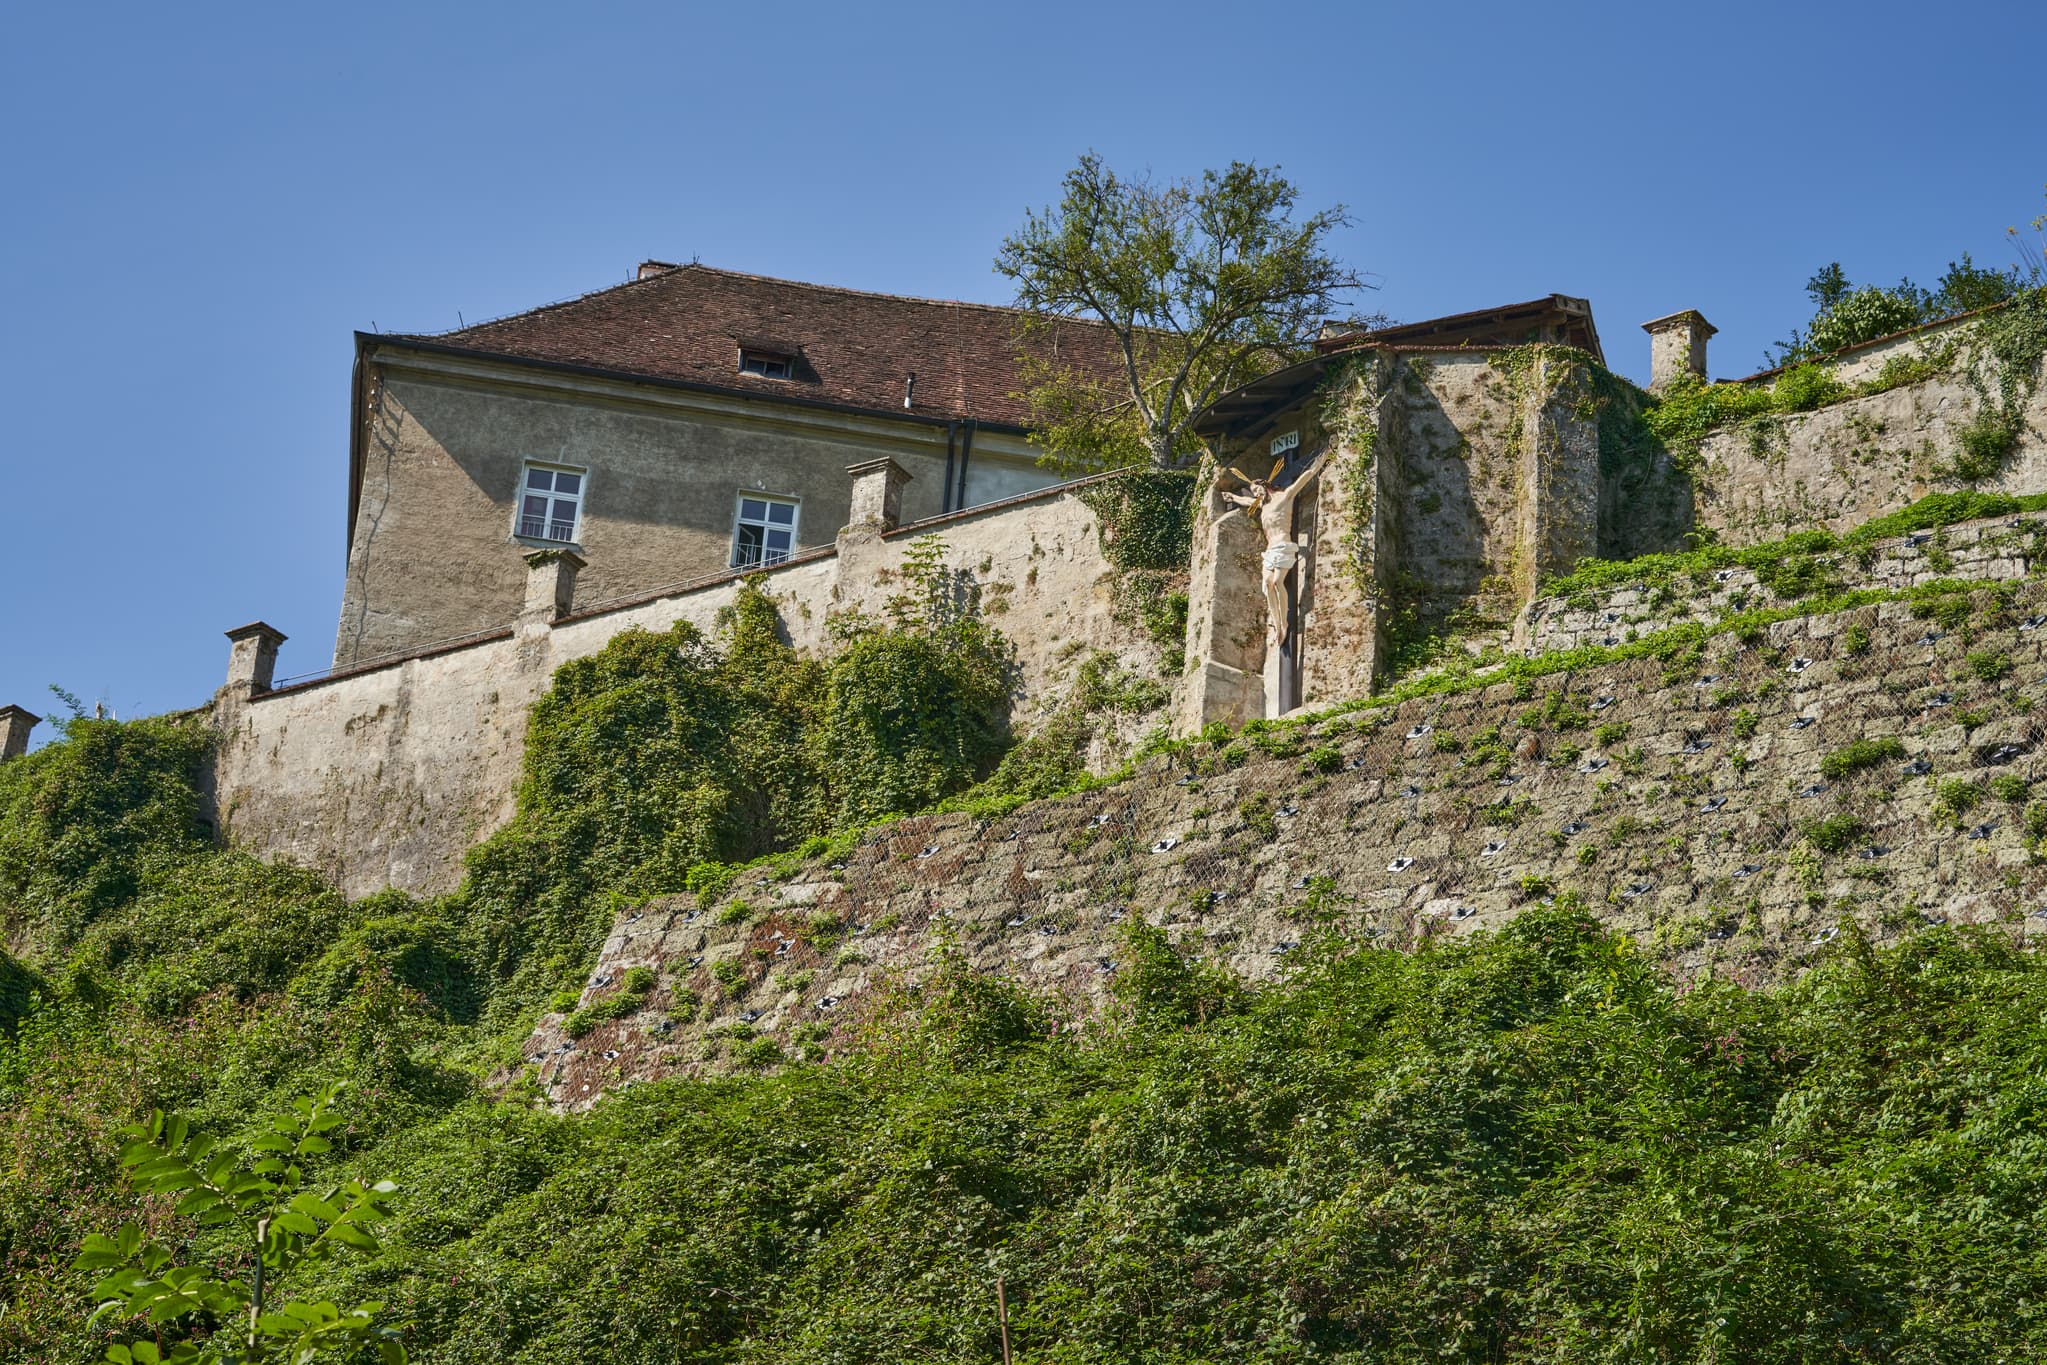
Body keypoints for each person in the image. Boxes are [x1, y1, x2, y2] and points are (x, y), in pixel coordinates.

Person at [1218, 449, 1330, 646]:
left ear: (1264, 485)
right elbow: (1247, 501)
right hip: (1270, 550)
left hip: (1283, 545)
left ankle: (1285, 623)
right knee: (1266, 585)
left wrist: (1320, 461)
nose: (1256, 494)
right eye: (1254, 492)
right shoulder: (1264, 506)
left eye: (1257, 490)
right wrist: (1233, 498)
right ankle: (1278, 624)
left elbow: (1302, 479)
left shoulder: (1284, 497)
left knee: (1278, 582)